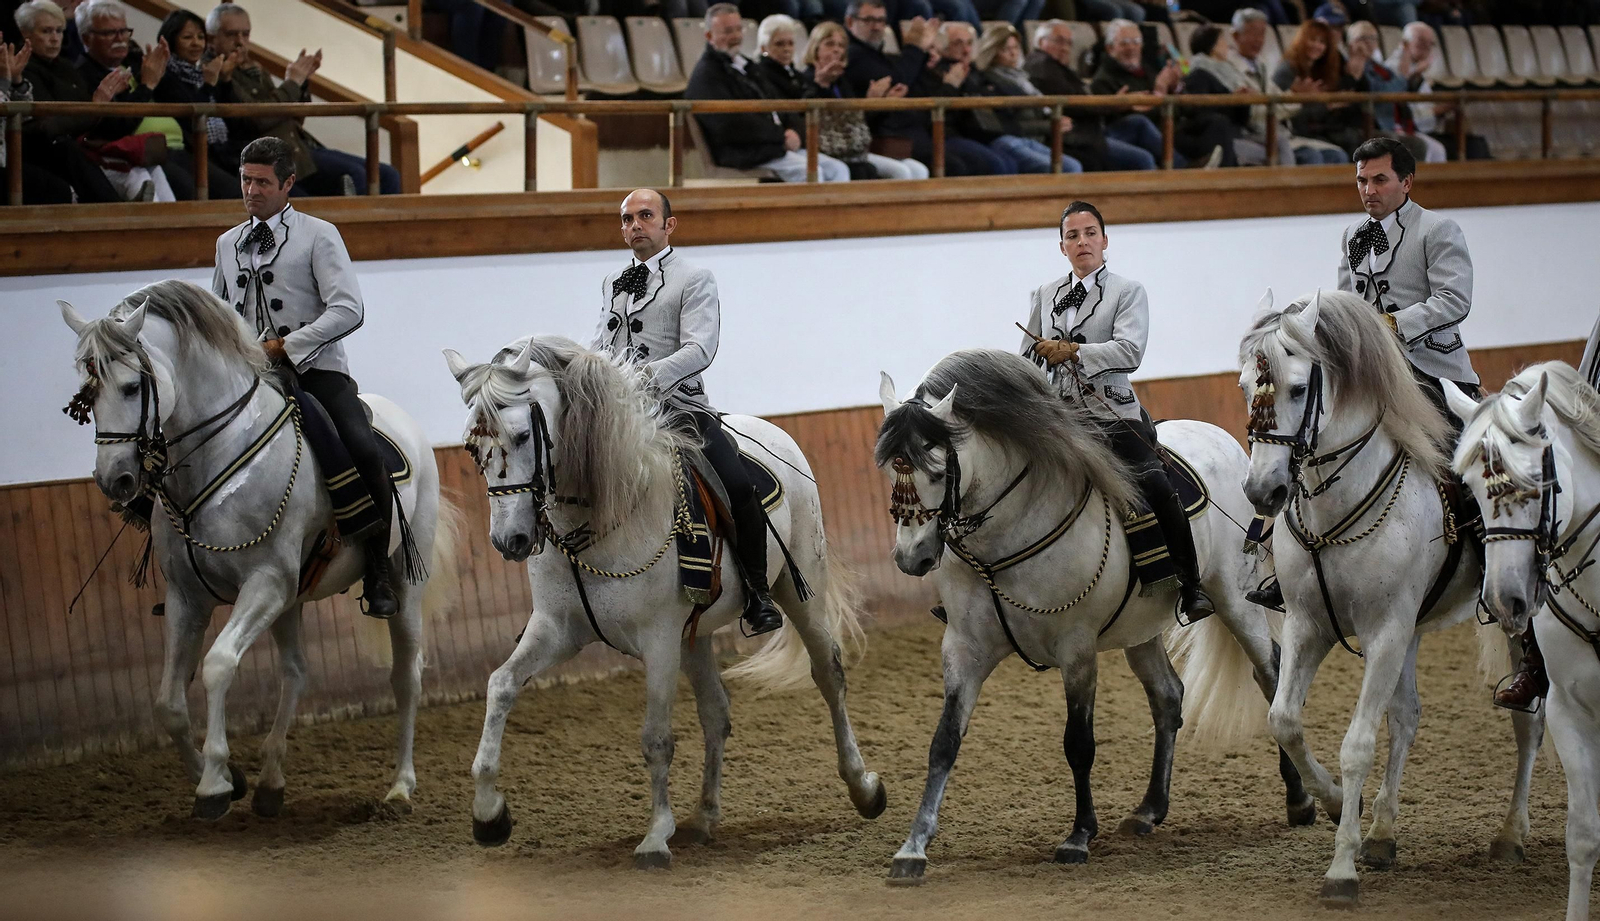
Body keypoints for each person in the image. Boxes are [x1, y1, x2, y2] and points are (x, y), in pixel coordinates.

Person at [210, 137, 399, 619]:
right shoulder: (227, 244)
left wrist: (287, 346)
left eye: (262, 182)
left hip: (315, 371)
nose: (251, 190)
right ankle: (190, 565)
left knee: (361, 446)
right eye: (246, 180)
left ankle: (378, 567)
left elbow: (348, 309)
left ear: (288, 183)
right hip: (251, 377)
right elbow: (220, 316)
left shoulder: (319, 235)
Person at [592, 189, 785, 637]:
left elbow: (700, 348)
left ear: (669, 225)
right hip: (620, 413)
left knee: (737, 486)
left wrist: (644, 378)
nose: (634, 225)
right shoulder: (612, 282)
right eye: (627, 219)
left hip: (678, 407)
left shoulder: (695, 278)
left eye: (645, 216)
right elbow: (601, 343)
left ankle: (758, 593)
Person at [1020, 201, 1215, 623]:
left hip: (1112, 413)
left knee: (1155, 484)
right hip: (1058, 415)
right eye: (1073, 236)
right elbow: (1028, 357)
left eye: (1090, 233)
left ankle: (1190, 584)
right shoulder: (1044, 294)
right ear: (1062, 247)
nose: (1082, 242)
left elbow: (1130, 351)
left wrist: (1074, 351)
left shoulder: (1128, 292)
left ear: (1105, 241)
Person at [206, 3, 401, 195]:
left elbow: (295, 117)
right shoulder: (214, 73)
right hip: (273, 154)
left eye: (245, 34)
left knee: (388, 174)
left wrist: (301, 82)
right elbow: (258, 119)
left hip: (300, 145)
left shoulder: (253, 69)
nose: (240, 42)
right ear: (212, 39)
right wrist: (292, 82)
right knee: (355, 175)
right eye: (231, 34)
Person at [18, 0, 171, 201]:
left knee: (152, 169)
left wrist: (103, 103)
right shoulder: (24, 70)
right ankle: (124, 214)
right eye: (46, 31)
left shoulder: (66, 68)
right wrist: (97, 105)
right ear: (25, 34)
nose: (55, 38)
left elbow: (101, 121)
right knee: (134, 174)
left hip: (92, 148)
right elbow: (49, 126)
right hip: (52, 152)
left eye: (59, 31)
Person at [686, 4, 851, 182]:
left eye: (738, 29)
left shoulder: (747, 66)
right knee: (811, 172)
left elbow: (778, 104)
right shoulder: (707, 74)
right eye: (728, 31)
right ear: (709, 36)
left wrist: (794, 131)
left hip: (774, 147)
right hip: (746, 152)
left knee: (838, 169)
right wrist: (780, 136)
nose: (736, 36)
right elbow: (729, 125)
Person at [841, 0, 1007, 176]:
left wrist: (924, 58)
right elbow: (898, 81)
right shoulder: (854, 55)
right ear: (850, 21)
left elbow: (909, 82)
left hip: (918, 133)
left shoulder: (883, 56)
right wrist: (915, 48)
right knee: (962, 166)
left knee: (996, 162)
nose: (876, 26)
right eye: (869, 20)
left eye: (881, 20)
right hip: (894, 137)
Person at [933, 21, 1079, 174]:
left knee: (1075, 164)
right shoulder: (986, 78)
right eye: (958, 43)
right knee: (1006, 165)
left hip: (1022, 136)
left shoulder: (984, 75)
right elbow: (997, 122)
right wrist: (1048, 125)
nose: (966, 49)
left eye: (969, 43)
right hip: (997, 137)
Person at [1092, 19, 1235, 168]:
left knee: (1217, 122)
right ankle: (1189, 170)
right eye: (1124, 43)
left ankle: (1229, 178)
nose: (1131, 48)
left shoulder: (1148, 70)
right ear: (1110, 48)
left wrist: (1176, 88)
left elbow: (1187, 109)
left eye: (1136, 42)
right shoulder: (1102, 81)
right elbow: (1133, 125)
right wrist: (1160, 93)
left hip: (1174, 126)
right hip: (1156, 135)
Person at [801, 20, 929, 179]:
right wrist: (821, 86)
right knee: (896, 172)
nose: (836, 50)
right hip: (825, 150)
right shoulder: (805, 79)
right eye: (829, 44)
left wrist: (880, 103)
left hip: (852, 149)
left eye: (841, 45)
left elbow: (858, 123)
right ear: (815, 48)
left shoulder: (842, 81)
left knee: (918, 170)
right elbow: (812, 118)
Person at [1025, 19, 1156, 171]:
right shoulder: (1042, 66)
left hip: (1089, 132)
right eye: (1059, 41)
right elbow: (1076, 103)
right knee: (1143, 159)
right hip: (1076, 138)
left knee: (1138, 123)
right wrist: (1117, 103)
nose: (1065, 48)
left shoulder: (1052, 65)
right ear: (1041, 42)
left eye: (1068, 43)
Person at [1227, 8, 1346, 165]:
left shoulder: (1261, 65)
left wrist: (1297, 97)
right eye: (1252, 34)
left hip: (1283, 133)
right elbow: (1260, 112)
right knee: (1312, 157)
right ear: (1236, 35)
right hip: (1257, 135)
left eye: (1262, 34)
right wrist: (1298, 97)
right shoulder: (1229, 68)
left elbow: (1278, 102)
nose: (1258, 40)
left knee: (1337, 156)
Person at [155, 8, 241, 187]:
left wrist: (225, 80)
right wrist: (208, 85)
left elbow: (233, 120)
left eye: (201, 37)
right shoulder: (165, 76)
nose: (196, 43)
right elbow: (191, 119)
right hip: (193, 154)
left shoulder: (202, 72)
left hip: (222, 151)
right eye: (187, 37)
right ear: (171, 40)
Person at [1385, 21, 1491, 161]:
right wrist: (1442, 109)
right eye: (1421, 42)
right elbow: (1406, 114)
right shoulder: (1394, 69)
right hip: (1405, 131)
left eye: (1430, 44)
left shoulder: (1417, 67)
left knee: (1476, 144)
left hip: (1424, 129)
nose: (1427, 48)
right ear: (1405, 43)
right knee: (1470, 148)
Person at [1272, 18, 1365, 156]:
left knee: (1357, 140)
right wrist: (1328, 105)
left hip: (1321, 129)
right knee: (1338, 153)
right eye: (1312, 40)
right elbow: (1288, 115)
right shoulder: (1287, 70)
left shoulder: (1323, 70)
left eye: (1322, 42)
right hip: (1294, 132)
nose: (1317, 45)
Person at [1, 38, 74, 202]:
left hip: (7, 157)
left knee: (63, 150)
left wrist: (17, 81)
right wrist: (4, 83)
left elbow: (24, 115)